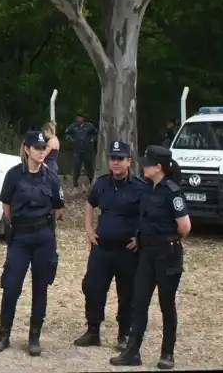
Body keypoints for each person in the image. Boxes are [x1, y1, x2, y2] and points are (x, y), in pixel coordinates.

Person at [110, 145, 191, 370]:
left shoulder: (172, 191)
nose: (143, 165)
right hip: (146, 253)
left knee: (167, 305)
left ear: (158, 167)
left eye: (148, 163)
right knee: (139, 302)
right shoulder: (146, 188)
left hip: (167, 254)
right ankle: (132, 353)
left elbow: (185, 226)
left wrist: (167, 240)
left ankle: (167, 353)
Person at [0, 130, 64, 356]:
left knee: (40, 287)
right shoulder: (14, 175)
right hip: (21, 238)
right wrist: (16, 226)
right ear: (26, 149)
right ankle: (4, 334)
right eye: (37, 148)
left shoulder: (51, 177)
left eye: (44, 148)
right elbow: (6, 205)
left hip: (43, 237)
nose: (41, 152)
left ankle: (34, 337)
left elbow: (58, 206)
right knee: (11, 286)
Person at [74, 141, 149, 351]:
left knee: (127, 293)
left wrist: (140, 236)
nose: (115, 163)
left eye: (120, 159)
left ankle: (124, 334)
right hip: (102, 248)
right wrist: (89, 229)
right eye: (112, 159)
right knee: (93, 288)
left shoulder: (139, 187)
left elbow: (148, 213)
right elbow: (90, 202)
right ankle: (93, 331)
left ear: (129, 162)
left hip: (127, 250)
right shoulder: (102, 183)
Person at [65, 112, 98, 189]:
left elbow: (95, 133)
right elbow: (67, 133)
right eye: (77, 118)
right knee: (76, 167)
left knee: (89, 167)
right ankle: (75, 184)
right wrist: (71, 139)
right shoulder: (73, 126)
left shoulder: (89, 126)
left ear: (83, 118)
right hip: (77, 150)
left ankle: (91, 182)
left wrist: (92, 139)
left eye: (80, 117)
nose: (78, 119)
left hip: (88, 150)